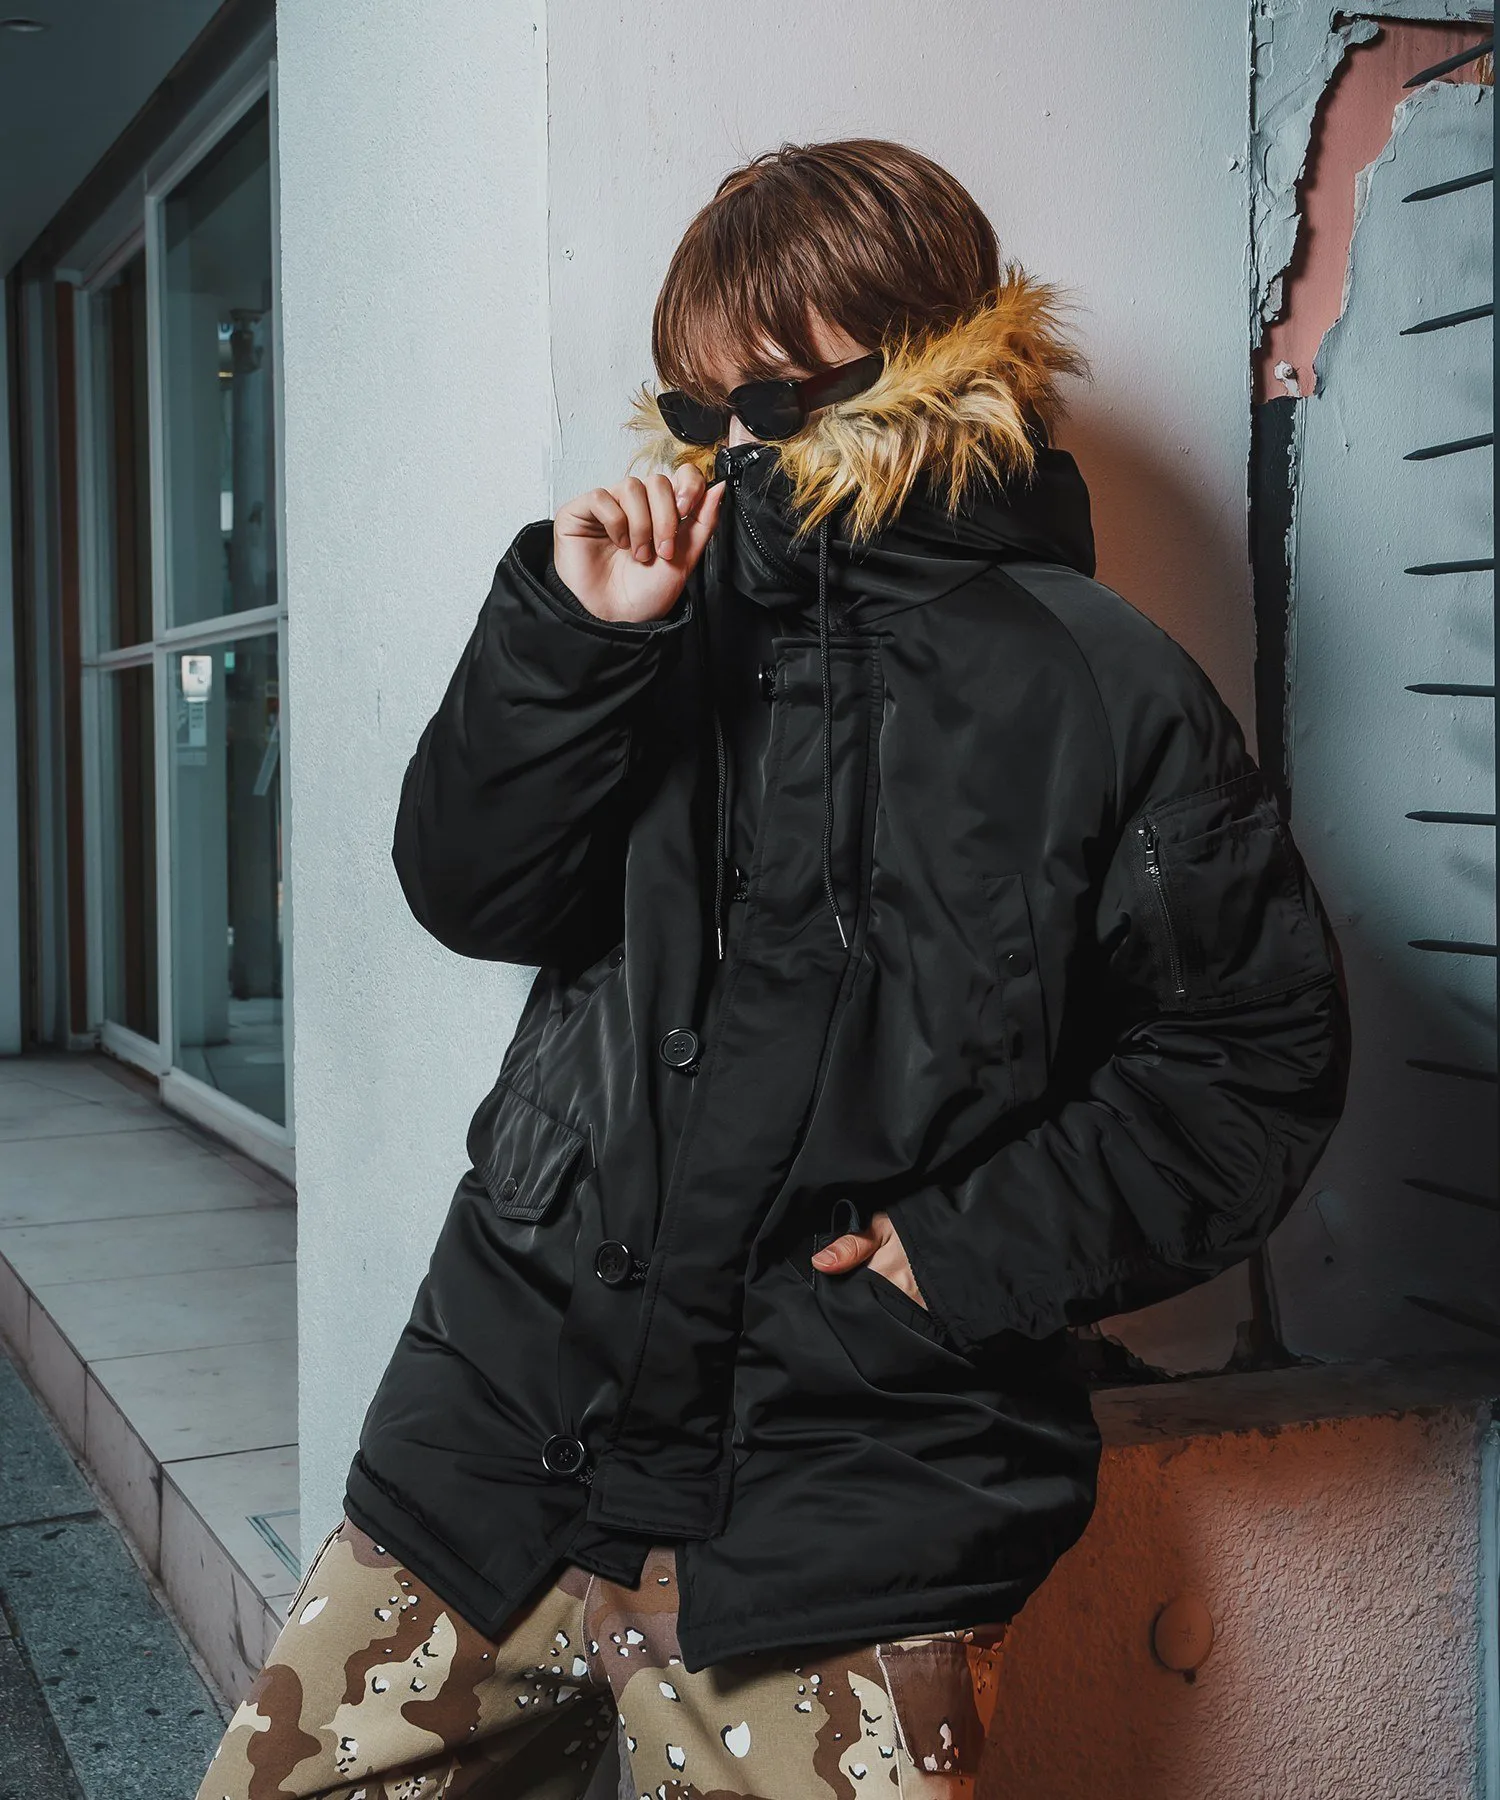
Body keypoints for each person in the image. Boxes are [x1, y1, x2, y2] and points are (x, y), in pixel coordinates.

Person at [196, 138, 1350, 1799]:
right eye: (698, 403)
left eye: (780, 394)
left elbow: (1250, 1056)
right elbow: (472, 891)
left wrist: (960, 1255)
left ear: (940, 354)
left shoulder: (1099, 685)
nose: (735, 442)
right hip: (505, 1431)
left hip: (856, 1496)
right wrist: (577, 645)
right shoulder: (637, 617)